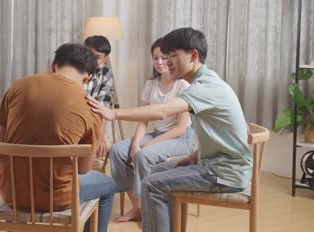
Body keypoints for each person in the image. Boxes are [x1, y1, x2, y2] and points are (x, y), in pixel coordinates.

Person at [87, 27, 251, 232]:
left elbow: (163, 111)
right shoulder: (207, 82)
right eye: (165, 56)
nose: (167, 61)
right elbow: (229, 133)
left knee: (151, 184)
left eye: (173, 55)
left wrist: (115, 114)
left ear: (193, 55)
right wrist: (194, 156)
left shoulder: (204, 87)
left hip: (222, 172)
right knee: (153, 175)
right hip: (217, 164)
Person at [0, 43, 117, 232]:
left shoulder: (18, 86)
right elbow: (82, 169)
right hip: (58, 198)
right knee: (108, 185)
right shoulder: (90, 107)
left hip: (12, 193)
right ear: (87, 78)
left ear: (53, 66)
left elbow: (0, 143)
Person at [109, 38, 194, 222]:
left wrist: (146, 145)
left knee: (143, 155)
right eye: (156, 58)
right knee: (116, 150)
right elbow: (143, 118)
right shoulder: (151, 84)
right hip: (157, 134)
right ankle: (137, 207)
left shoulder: (183, 86)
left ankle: (150, 211)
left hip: (180, 139)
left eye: (164, 57)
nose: (160, 62)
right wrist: (135, 144)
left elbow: (180, 128)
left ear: (172, 59)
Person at [84, 36, 115, 167]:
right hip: (74, 119)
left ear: (104, 59)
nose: (91, 60)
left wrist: (101, 135)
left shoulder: (106, 72)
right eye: (88, 54)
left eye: (97, 57)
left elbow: (103, 107)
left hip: (94, 120)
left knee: (101, 149)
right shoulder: (75, 68)